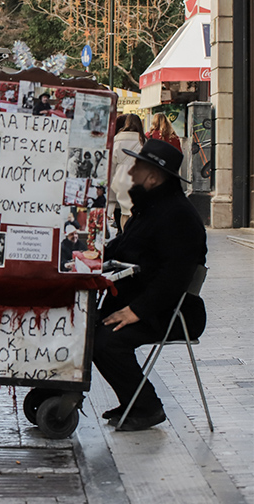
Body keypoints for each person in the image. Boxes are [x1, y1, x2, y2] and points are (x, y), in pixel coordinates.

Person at [94, 139, 206, 431]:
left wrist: (136, 311)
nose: (130, 173)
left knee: (106, 341)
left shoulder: (178, 215)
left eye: (138, 167)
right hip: (143, 304)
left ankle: (146, 407)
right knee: (86, 327)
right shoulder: (151, 208)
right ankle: (131, 400)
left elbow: (175, 277)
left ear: (155, 177)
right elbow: (120, 247)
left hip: (169, 312)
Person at [111, 114, 146, 231]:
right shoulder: (143, 141)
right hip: (138, 178)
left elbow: (112, 161)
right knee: (136, 210)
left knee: (124, 211)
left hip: (120, 177)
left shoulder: (117, 139)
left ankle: (125, 234)